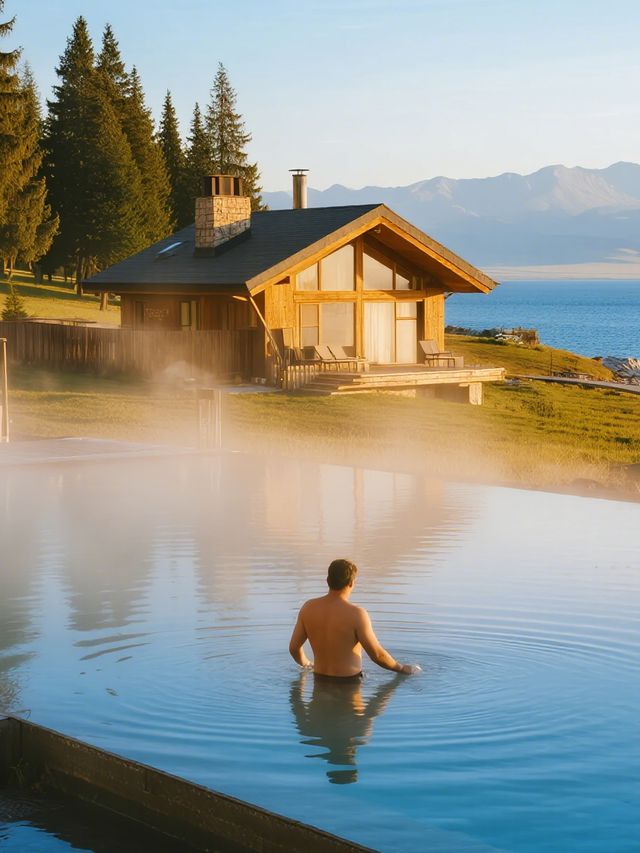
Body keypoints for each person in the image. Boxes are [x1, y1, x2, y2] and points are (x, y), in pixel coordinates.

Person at [289, 558, 419, 678]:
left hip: (319, 679)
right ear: (351, 583)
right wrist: (402, 668)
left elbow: (294, 648)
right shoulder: (357, 614)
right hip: (349, 683)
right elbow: (377, 655)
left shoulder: (308, 608)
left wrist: (307, 665)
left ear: (327, 581)